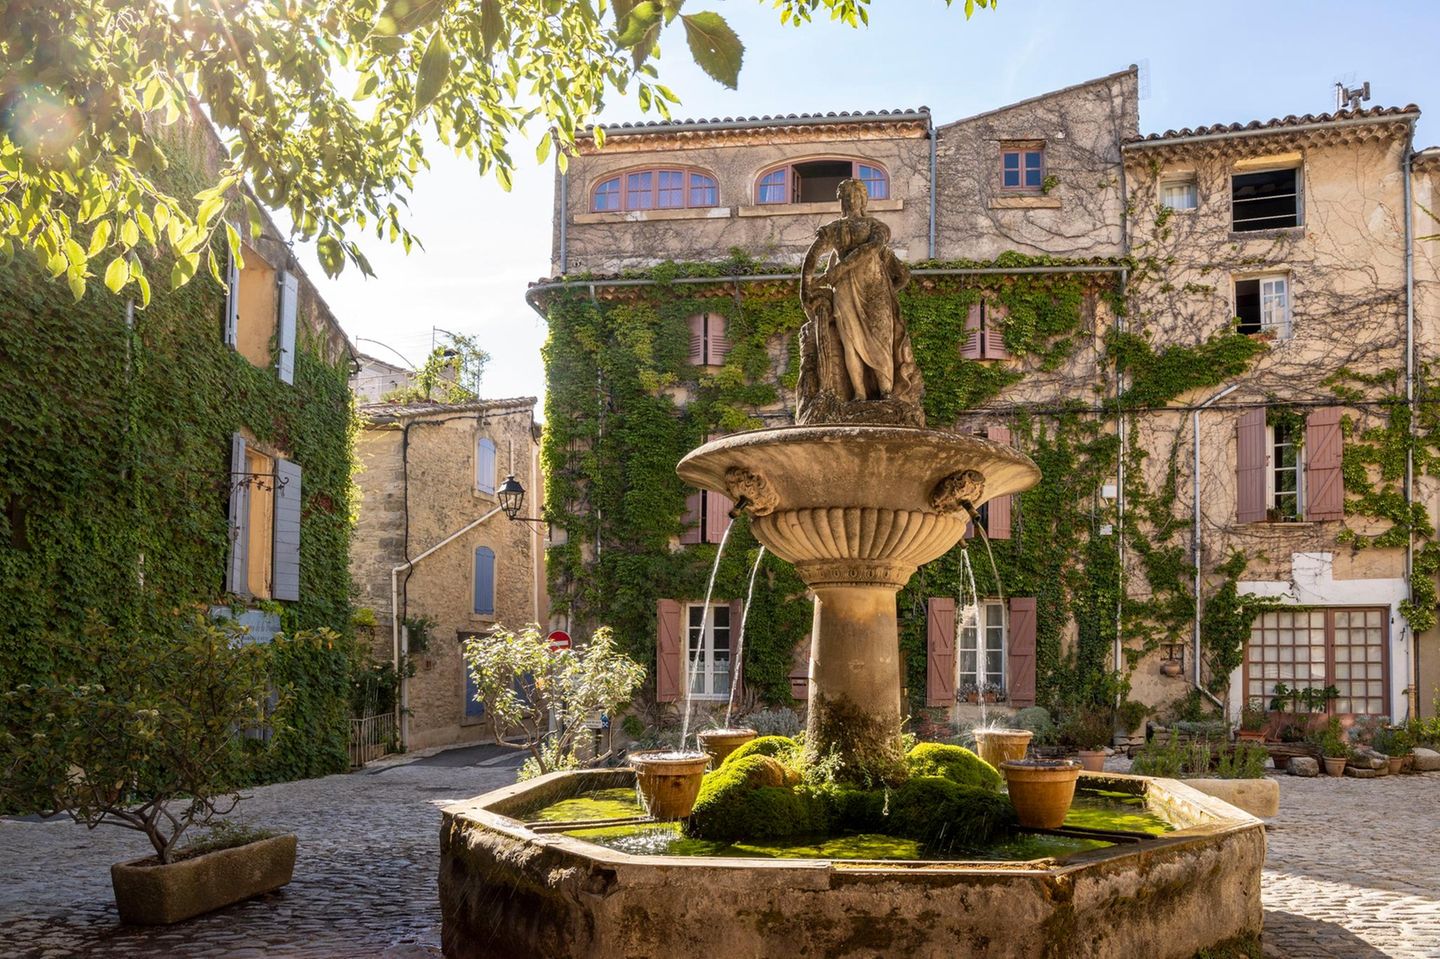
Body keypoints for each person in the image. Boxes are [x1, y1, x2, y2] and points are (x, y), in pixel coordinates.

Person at [798, 178, 923, 418]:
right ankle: (859, 394)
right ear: (841, 200)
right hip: (846, 291)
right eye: (847, 195)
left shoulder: (875, 226)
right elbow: (811, 256)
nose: (851, 199)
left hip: (875, 292)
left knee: (881, 340)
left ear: (863, 199)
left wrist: (839, 271)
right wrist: (806, 288)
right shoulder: (835, 228)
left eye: (855, 194)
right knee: (851, 342)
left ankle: (886, 393)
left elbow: (874, 250)